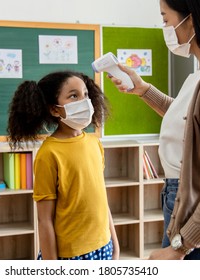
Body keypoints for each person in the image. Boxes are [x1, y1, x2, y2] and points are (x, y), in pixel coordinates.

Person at [110, 0, 200, 260]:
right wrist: (143, 89)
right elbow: (188, 121)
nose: (165, 28)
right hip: (191, 212)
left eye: (166, 20)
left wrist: (178, 248)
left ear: (191, 20)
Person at [7, 70, 120, 260]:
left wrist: (115, 244)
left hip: (104, 246)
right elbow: (45, 220)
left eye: (85, 94)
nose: (84, 101)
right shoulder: (49, 153)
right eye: (73, 96)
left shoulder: (94, 143)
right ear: (55, 109)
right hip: (70, 254)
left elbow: (101, 199)